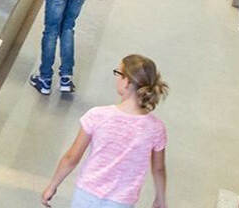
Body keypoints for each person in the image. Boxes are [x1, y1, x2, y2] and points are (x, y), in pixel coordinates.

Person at [41, 54, 169, 208]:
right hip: (121, 201)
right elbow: (158, 168)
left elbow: (72, 157)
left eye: (118, 73)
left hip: (86, 195)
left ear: (127, 81)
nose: (116, 78)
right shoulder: (156, 128)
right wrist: (160, 199)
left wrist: (53, 185)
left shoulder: (98, 116)